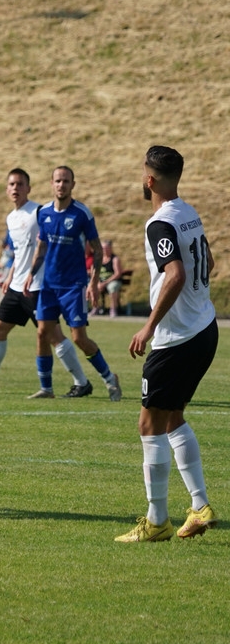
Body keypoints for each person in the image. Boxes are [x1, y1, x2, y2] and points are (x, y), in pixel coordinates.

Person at [116, 146, 218, 542]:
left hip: (176, 339)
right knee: (173, 416)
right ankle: (200, 506)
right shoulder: (188, 212)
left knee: (149, 423)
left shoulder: (159, 223)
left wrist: (148, 327)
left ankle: (157, 521)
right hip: (204, 328)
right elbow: (208, 263)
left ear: (149, 180)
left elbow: (175, 274)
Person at [0, 168, 90, 395]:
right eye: (12, 184)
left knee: (53, 336)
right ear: (6, 189)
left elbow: (49, 244)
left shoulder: (39, 212)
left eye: (20, 184)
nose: (15, 188)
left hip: (38, 286)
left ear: (28, 188)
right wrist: (10, 276)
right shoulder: (11, 218)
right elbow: (19, 252)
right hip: (16, 286)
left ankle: (82, 382)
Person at [23, 166, 122, 400]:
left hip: (73, 286)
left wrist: (93, 282)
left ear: (72, 185)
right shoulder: (44, 212)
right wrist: (31, 273)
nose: (61, 185)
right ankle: (46, 389)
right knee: (42, 333)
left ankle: (110, 378)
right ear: (51, 183)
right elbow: (42, 246)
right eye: (58, 181)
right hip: (49, 285)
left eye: (66, 181)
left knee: (79, 338)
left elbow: (97, 250)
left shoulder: (81, 214)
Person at [99, 240, 125, 317]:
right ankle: (96, 308)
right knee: (93, 286)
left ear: (110, 248)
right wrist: (97, 282)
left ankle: (113, 309)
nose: (104, 250)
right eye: (102, 248)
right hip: (101, 281)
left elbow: (118, 273)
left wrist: (105, 282)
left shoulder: (115, 259)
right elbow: (94, 271)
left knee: (112, 287)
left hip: (113, 280)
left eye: (106, 248)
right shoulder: (99, 259)